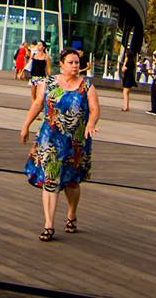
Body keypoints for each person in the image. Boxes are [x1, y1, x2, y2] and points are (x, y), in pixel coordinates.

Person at [20, 47, 98, 242]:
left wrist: (90, 123)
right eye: (71, 62)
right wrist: (25, 126)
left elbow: (95, 109)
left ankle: (71, 214)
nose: (75, 66)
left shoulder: (86, 86)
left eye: (77, 63)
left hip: (75, 141)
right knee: (50, 180)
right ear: (61, 64)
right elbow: (38, 104)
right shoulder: (49, 83)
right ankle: (49, 225)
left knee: (72, 183)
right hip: (51, 139)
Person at [118, 43, 137, 113]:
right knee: (127, 92)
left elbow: (123, 69)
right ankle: (126, 106)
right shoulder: (133, 61)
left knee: (125, 92)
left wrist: (124, 62)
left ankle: (125, 107)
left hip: (128, 79)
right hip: (130, 78)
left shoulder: (128, 61)